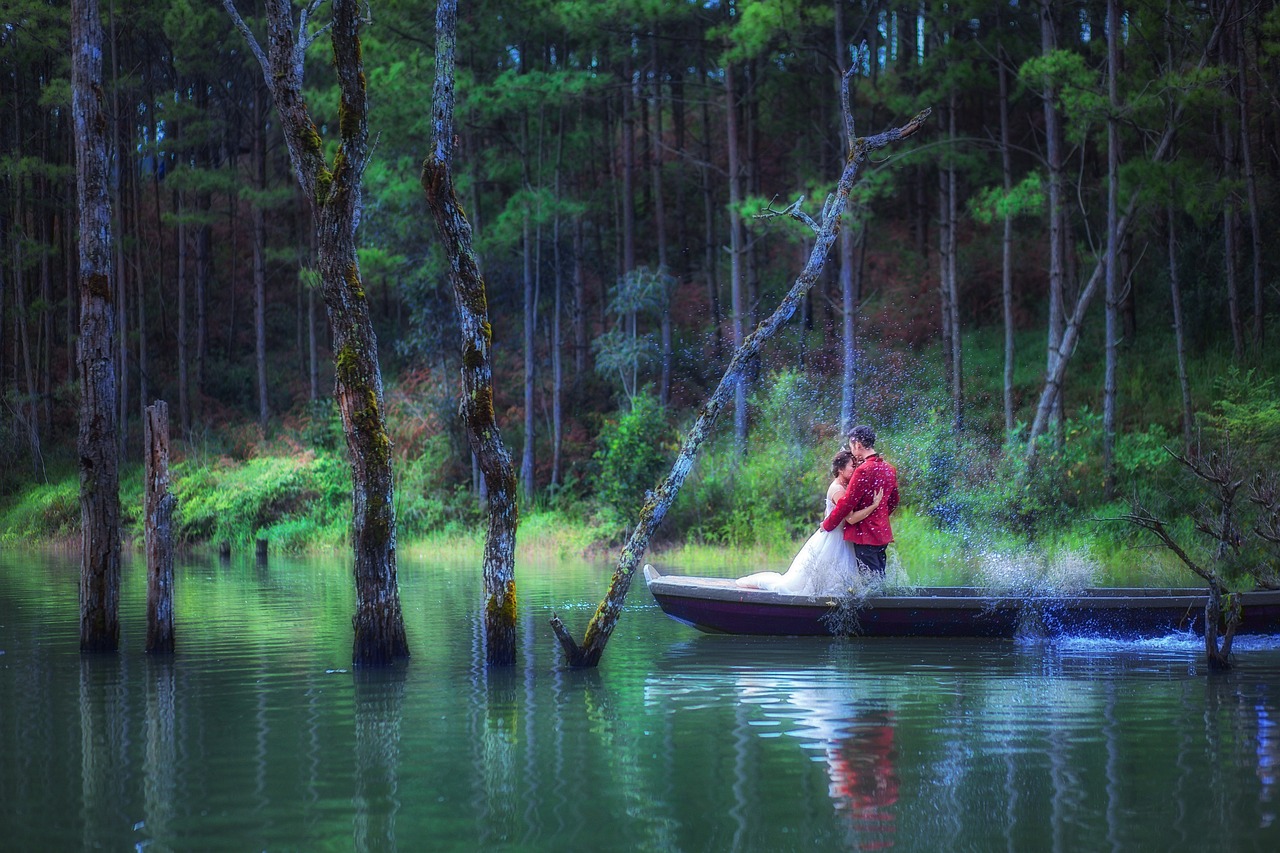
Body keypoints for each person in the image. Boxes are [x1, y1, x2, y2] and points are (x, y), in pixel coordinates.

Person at [737, 450, 883, 595]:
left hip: (842, 536)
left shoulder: (845, 487)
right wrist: (874, 506)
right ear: (840, 469)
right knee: (813, 580)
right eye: (852, 466)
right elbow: (850, 518)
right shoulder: (838, 490)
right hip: (835, 537)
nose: (855, 469)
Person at [822, 425, 899, 577]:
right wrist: (879, 514)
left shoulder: (863, 470)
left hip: (865, 534)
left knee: (870, 581)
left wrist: (827, 524)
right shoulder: (889, 469)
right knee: (880, 577)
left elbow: (846, 504)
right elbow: (893, 501)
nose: (851, 450)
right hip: (882, 532)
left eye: (852, 446)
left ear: (857, 444)